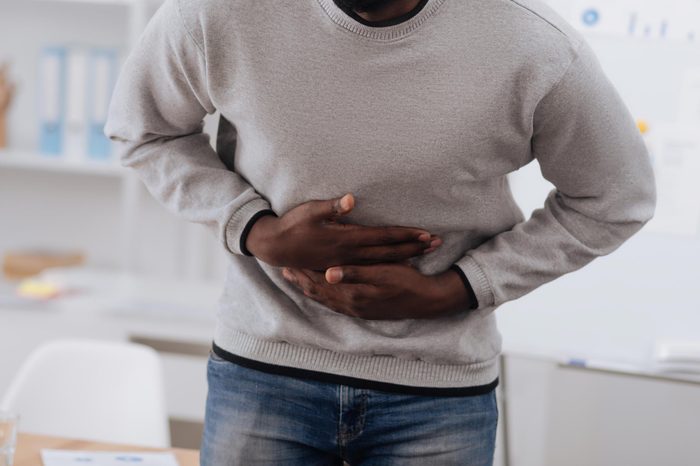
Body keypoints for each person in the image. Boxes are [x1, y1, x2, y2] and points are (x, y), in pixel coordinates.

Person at [104, 0, 657, 463]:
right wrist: (256, 230)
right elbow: (142, 129)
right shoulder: (219, 12)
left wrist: (459, 287)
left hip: (438, 392)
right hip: (264, 370)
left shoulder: (533, 45)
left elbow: (616, 197)